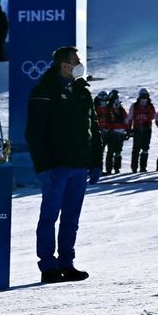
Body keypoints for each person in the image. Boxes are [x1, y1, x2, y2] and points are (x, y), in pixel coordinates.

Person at [26, 45, 95, 283]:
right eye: (76, 60)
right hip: (56, 167)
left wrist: (95, 161)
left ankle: (67, 262)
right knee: (49, 217)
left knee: (71, 218)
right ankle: (48, 266)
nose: (79, 64)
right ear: (65, 65)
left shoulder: (82, 91)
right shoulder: (44, 90)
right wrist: (44, 167)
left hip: (79, 166)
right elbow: (34, 132)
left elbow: (92, 128)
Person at [100, 91, 129, 175]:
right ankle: (109, 170)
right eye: (115, 98)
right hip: (111, 133)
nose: (116, 100)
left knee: (118, 152)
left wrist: (127, 130)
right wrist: (106, 127)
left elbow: (126, 119)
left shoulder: (120, 108)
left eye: (117, 98)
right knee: (110, 152)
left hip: (120, 133)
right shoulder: (108, 108)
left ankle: (117, 169)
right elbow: (104, 118)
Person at [129, 89, 155, 171]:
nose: (144, 99)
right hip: (137, 129)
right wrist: (129, 129)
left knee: (145, 149)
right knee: (136, 149)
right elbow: (130, 117)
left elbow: (153, 116)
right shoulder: (135, 106)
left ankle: (143, 167)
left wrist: (149, 111)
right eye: (142, 97)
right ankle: (134, 167)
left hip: (147, 129)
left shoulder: (150, 106)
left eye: (145, 97)